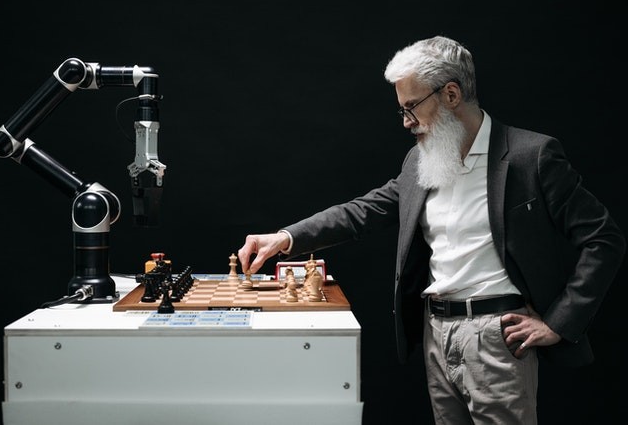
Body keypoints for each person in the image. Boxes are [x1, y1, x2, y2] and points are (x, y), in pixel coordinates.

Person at [237, 36, 626, 424]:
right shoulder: (420, 161)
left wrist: (558, 322)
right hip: (435, 334)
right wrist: (285, 237)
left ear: (451, 94)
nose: (406, 122)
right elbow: (362, 212)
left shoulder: (532, 156)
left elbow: (603, 239)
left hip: (498, 340)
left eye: (411, 108)